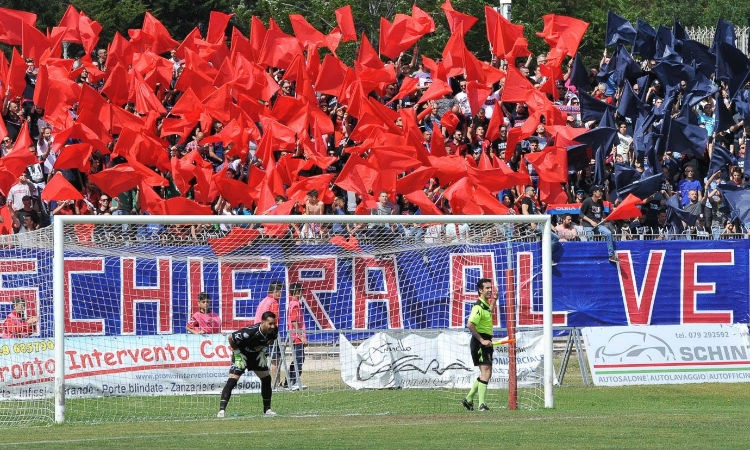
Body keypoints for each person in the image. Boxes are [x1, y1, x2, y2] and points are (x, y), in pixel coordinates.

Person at [217, 311, 279, 418]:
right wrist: (236, 352)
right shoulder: (250, 332)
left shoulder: (274, 331)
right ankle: (221, 410)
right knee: (233, 379)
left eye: (274, 323)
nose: (272, 326)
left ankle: (267, 409)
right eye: (270, 324)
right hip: (242, 355)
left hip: (256, 356)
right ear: (263, 322)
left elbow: (269, 341)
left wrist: (263, 350)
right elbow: (231, 337)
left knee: (266, 378)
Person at [461, 278, 495, 412]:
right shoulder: (478, 307)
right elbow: (470, 324)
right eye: (487, 288)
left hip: (486, 340)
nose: (490, 290)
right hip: (480, 341)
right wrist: (482, 340)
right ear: (480, 290)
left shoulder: (485, 305)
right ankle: (481, 404)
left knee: (486, 373)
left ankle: (468, 400)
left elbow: (490, 310)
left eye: (490, 288)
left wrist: (495, 299)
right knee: (486, 372)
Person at [255, 281, 284, 386]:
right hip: (268, 334)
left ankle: (262, 383)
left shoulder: (263, 301)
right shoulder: (274, 302)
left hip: (258, 334)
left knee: (261, 360)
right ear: (276, 292)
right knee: (275, 359)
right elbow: (274, 321)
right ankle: (276, 384)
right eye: (280, 291)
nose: (281, 294)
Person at [581, 185, 616, 262]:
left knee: (608, 233)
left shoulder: (600, 202)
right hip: (588, 224)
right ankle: (592, 257)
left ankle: (611, 255)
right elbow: (581, 214)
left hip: (598, 224)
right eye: (599, 191)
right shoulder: (587, 201)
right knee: (590, 236)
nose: (601, 193)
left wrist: (602, 218)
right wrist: (591, 221)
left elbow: (601, 213)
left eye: (601, 191)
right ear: (594, 192)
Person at [286, 282, 308, 391]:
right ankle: (294, 381)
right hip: (296, 337)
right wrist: (301, 336)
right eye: (302, 291)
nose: (303, 294)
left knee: (297, 358)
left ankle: (288, 381)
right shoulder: (295, 304)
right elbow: (294, 321)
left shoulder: (293, 303)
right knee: (299, 359)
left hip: (294, 336)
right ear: (298, 292)